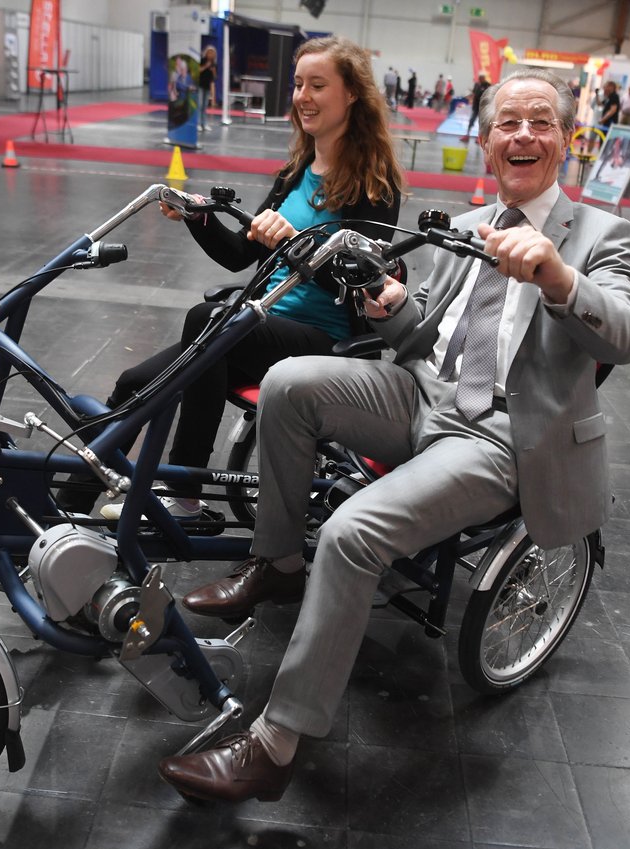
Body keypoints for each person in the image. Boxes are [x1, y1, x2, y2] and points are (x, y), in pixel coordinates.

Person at [158, 68, 630, 804]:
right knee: (288, 381)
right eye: (507, 124)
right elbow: (418, 334)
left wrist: (557, 276)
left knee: (355, 532)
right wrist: (386, 305)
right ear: (485, 145)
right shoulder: (466, 224)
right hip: (423, 392)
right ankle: (279, 563)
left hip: (501, 432)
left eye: (540, 122)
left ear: (566, 141)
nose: (523, 135)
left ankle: (277, 743)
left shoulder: (603, 235)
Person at [56, 36, 406, 521]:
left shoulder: (374, 185)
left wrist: (297, 243)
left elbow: (361, 286)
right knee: (136, 380)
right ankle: (68, 510)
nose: (303, 95)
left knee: (208, 322)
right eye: (299, 84)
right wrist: (198, 217)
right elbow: (240, 255)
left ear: (351, 95)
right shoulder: (297, 171)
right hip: (255, 328)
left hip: (324, 339)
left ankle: (182, 493)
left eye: (318, 85)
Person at [197, 46, 216, 131]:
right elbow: (198, 70)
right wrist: (205, 66)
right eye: (209, 52)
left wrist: (213, 71)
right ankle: (198, 123)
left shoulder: (214, 63)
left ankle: (204, 123)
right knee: (199, 105)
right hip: (200, 85)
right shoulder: (202, 60)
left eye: (212, 53)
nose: (211, 54)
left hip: (207, 86)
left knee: (204, 106)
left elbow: (214, 78)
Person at [465, 71, 490, 136]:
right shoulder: (477, 84)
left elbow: (488, 96)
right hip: (475, 106)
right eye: (479, 78)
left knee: (481, 122)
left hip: (482, 107)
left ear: (484, 78)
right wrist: (469, 96)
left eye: (481, 78)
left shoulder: (487, 85)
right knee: (471, 120)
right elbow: (474, 93)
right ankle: (467, 134)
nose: (479, 79)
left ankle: (480, 136)